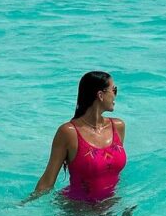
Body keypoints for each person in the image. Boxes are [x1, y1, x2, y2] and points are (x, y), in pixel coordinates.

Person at [31, 71, 127, 202]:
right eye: (114, 90)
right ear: (100, 95)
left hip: (112, 208)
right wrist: (23, 206)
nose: (115, 96)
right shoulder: (68, 133)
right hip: (77, 212)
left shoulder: (118, 127)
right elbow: (48, 181)